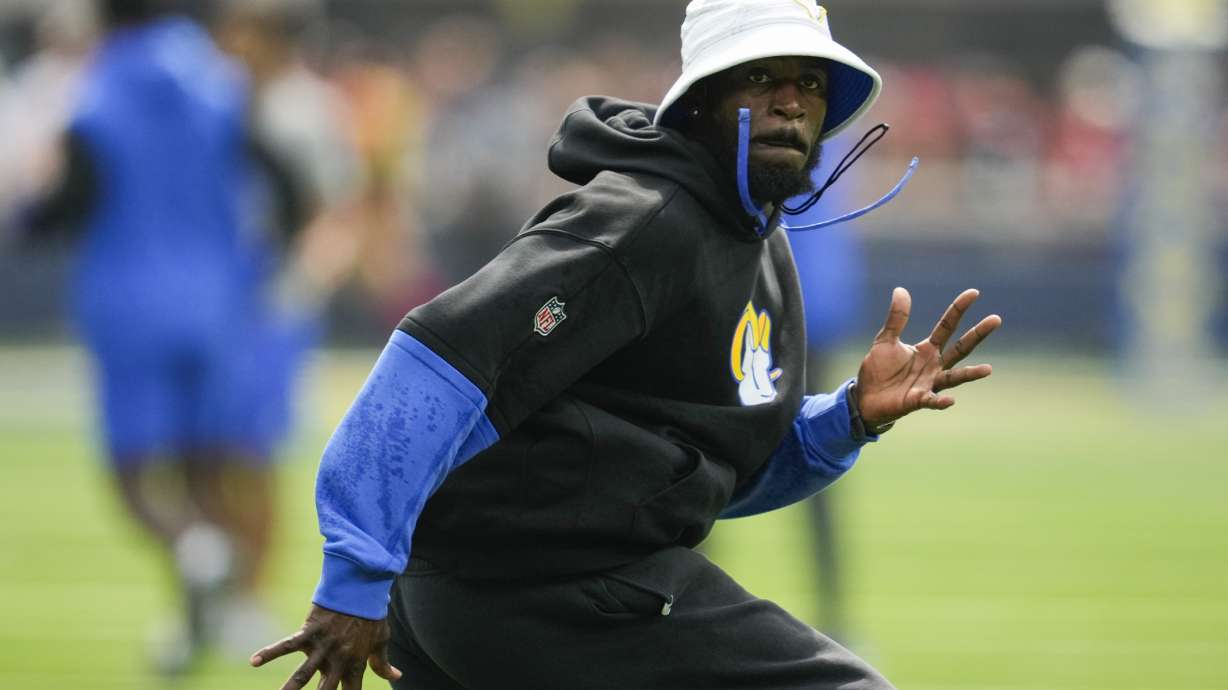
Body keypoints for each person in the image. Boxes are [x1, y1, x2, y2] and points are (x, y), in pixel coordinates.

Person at [252, 1, 1002, 688]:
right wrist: (354, 579)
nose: (789, 99)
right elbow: (435, 362)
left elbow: (717, 471)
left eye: (809, 81)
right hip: (537, 587)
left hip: (533, 590)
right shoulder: (644, 221)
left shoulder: (758, 245)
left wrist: (849, 418)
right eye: (760, 77)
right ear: (702, 100)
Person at [23, 0, 291, 672]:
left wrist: (29, 211)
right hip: (218, 300)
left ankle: (197, 554)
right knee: (206, 469)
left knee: (134, 474)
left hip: (129, 299)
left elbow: (70, 203)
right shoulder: (217, 78)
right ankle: (200, 624)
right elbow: (286, 184)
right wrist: (258, 269)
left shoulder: (95, 89)